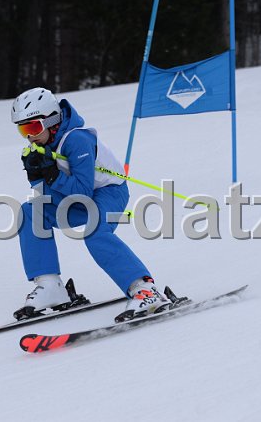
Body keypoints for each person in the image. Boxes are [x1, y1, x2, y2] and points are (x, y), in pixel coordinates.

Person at [11, 87, 168, 322]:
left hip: (109, 192)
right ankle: (50, 286)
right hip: (76, 199)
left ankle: (145, 289)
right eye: (23, 130)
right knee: (30, 211)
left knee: (95, 232)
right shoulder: (43, 144)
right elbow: (50, 193)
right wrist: (36, 176)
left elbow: (83, 192)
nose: (29, 137)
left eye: (33, 128)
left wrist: (52, 174)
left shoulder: (77, 139)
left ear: (52, 120)